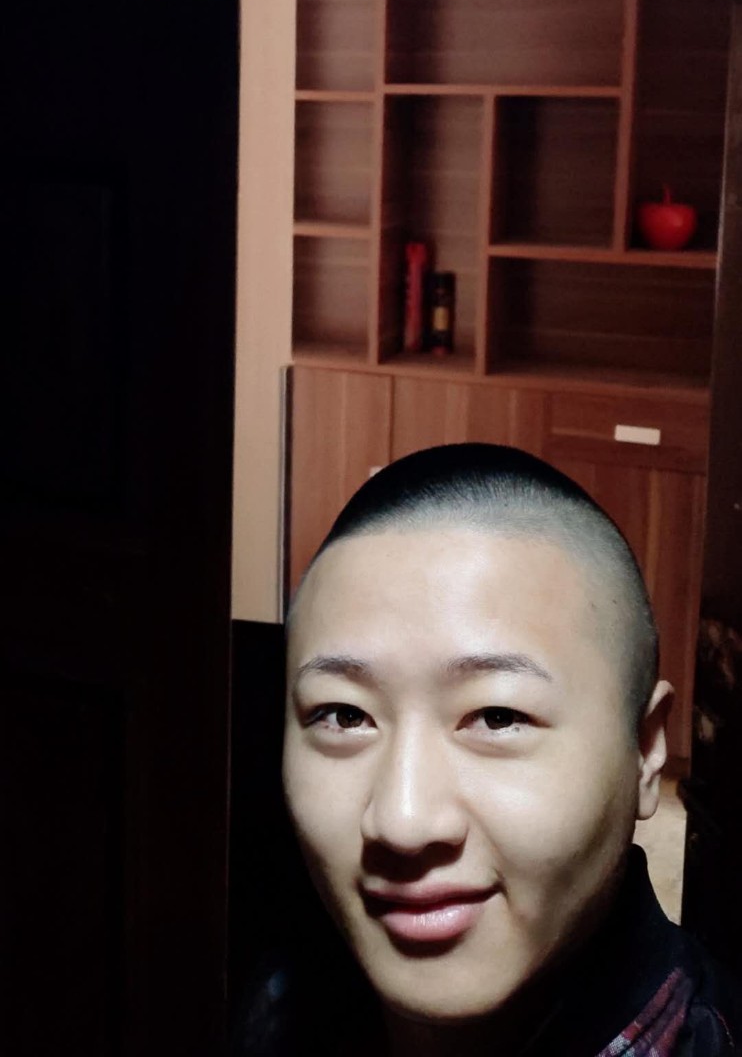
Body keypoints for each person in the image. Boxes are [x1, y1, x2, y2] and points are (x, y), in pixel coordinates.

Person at [235, 444, 741, 1055]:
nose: (402, 821)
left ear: (646, 750)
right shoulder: (262, 991)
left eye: (498, 717)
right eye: (345, 715)